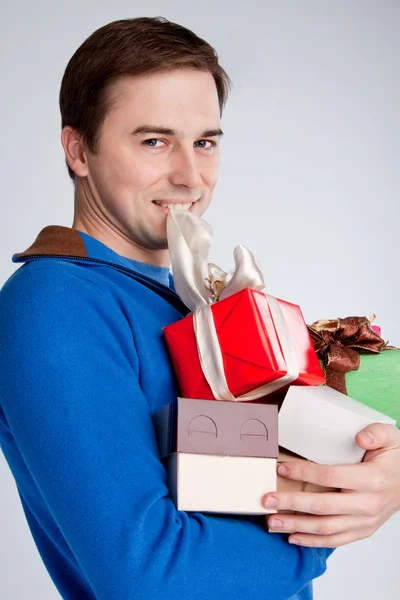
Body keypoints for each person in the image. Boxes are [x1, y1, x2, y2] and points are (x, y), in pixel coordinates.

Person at [0, 16, 399, 600]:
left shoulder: (188, 303)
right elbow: (151, 576)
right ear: (77, 149)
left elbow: (264, 475)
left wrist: (379, 473)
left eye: (205, 142)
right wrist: (330, 522)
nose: (190, 176)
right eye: (154, 140)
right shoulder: (58, 304)